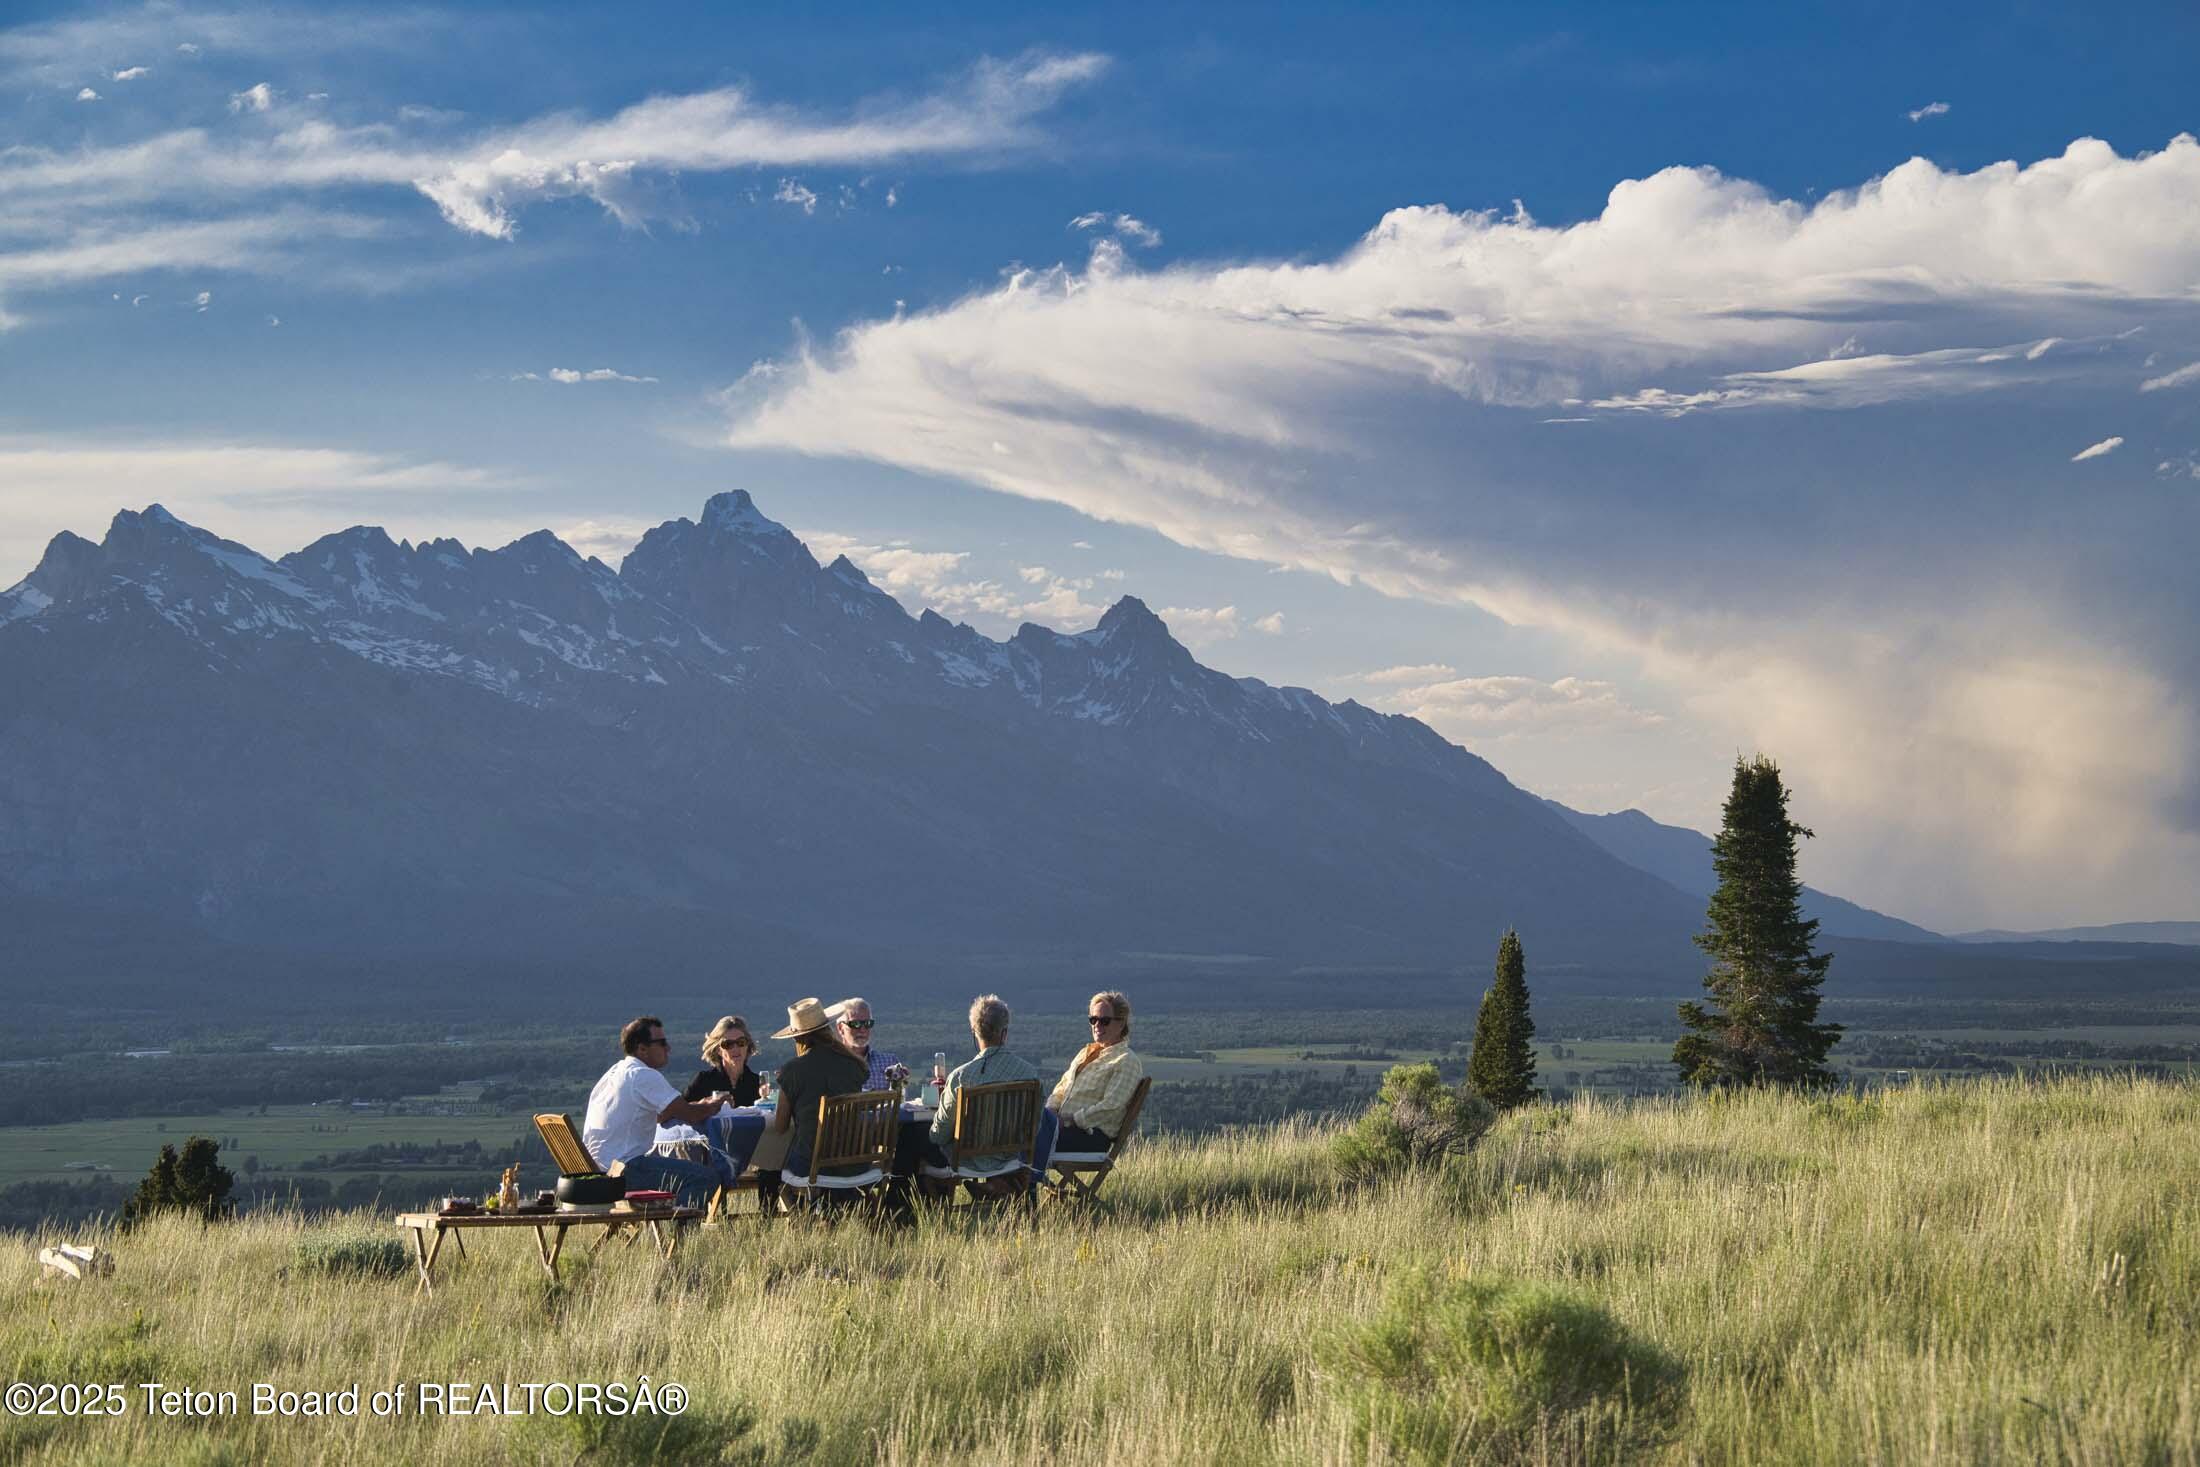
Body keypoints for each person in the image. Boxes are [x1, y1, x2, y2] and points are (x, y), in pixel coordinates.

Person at [580, 1016, 727, 1208]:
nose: (668, 1048)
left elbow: (661, 1115)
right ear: (642, 1048)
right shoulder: (643, 1075)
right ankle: (676, 1232)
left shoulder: (614, 1073)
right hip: (623, 1172)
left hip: (599, 1172)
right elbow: (691, 1115)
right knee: (706, 1178)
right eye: (662, 1043)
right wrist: (716, 1104)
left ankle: (667, 1226)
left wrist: (695, 1106)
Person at [924, 993, 1040, 1176]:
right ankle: (998, 1185)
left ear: (975, 1032)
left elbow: (938, 1135)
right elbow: (1035, 1126)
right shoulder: (1030, 1075)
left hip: (965, 1162)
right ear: (1004, 1033)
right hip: (1009, 1159)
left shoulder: (960, 1078)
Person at [768, 997, 869, 1181]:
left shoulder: (793, 1070)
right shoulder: (855, 1064)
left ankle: (787, 1208)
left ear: (797, 1037)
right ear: (828, 1028)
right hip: (855, 1164)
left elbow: (780, 1127)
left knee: (775, 1164)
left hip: (812, 1164)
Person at [1047, 989, 1145, 1154]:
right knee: (1015, 1134)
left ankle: (1021, 1180)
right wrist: (1050, 1111)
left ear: (1121, 1024)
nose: (1097, 1026)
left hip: (1089, 1136)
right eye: (1093, 1020)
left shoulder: (1126, 1061)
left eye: (1104, 1021)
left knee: (1026, 1140)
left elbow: (1110, 1107)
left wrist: (1071, 1120)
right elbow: (1062, 1088)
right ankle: (1014, 1180)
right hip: (1062, 1129)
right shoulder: (1085, 1053)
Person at [828, 996, 905, 1093]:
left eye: (868, 1023)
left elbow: (899, 1100)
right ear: (840, 1028)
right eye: (856, 1024)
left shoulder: (890, 1062)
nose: (862, 1030)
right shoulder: (830, 1064)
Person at [683, 1015, 763, 1107]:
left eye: (741, 1042)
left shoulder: (758, 1083)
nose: (735, 1048)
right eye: (728, 1044)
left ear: (748, 1045)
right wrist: (703, 1104)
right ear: (718, 1050)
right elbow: (681, 1111)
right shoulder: (704, 1081)